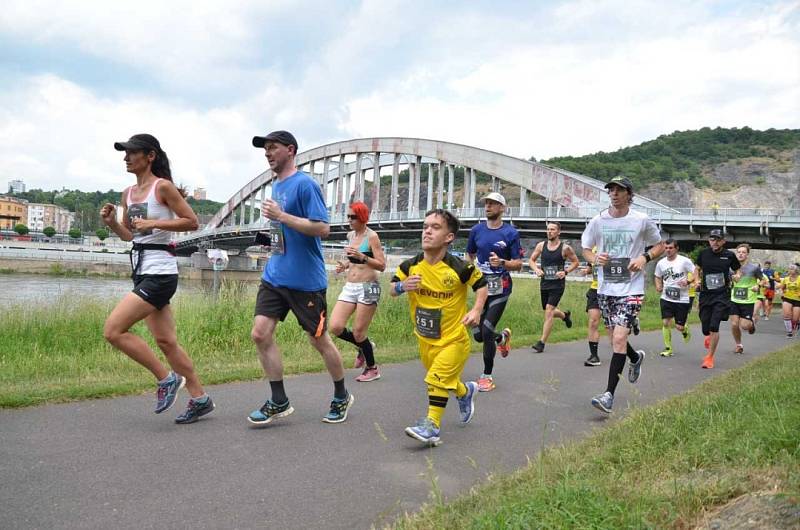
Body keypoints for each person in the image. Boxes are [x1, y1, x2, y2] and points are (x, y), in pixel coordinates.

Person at [101, 133, 214, 424]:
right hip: (141, 268)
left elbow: (191, 221)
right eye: (124, 153)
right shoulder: (128, 193)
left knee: (114, 330)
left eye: (132, 152)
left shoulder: (162, 188)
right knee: (166, 341)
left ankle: (165, 379)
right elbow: (131, 235)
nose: (126, 158)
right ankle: (200, 398)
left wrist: (154, 221)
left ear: (150, 156)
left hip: (161, 272)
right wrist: (113, 223)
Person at [247, 130, 353, 426]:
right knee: (260, 333)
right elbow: (285, 231)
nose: (267, 153)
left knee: (318, 340)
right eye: (265, 149)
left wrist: (282, 216)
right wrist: (269, 240)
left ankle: (342, 395)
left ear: (290, 150)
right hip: (275, 275)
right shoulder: (276, 185)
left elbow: (322, 229)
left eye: (272, 148)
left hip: (305, 281)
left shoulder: (305, 184)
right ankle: (279, 400)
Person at [392, 209, 488, 446]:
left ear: (449, 237)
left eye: (435, 227)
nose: (427, 231)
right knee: (444, 380)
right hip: (426, 339)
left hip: (454, 340)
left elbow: (482, 285)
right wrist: (403, 287)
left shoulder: (460, 267)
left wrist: (476, 310)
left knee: (435, 379)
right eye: (425, 226)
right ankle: (465, 392)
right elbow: (392, 288)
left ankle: (431, 426)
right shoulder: (410, 265)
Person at [581, 176, 664, 413]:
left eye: (619, 190)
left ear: (629, 194)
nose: (614, 193)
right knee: (615, 338)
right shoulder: (598, 220)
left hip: (632, 288)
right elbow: (586, 249)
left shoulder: (641, 220)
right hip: (606, 288)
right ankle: (635, 358)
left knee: (618, 339)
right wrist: (595, 259)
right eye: (611, 190)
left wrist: (644, 258)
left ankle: (608, 395)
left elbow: (658, 245)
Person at [466, 192, 522, 391]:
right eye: (486, 203)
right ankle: (501, 338)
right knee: (480, 335)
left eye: (493, 203)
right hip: (481, 287)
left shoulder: (511, 233)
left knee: (487, 329)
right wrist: (469, 269)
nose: (488, 206)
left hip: (501, 288)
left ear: (502, 208)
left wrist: (503, 262)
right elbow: (469, 254)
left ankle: (486, 376)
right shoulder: (476, 230)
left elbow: (519, 264)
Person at [330, 201, 386, 382]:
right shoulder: (350, 235)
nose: (350, 220)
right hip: (350, 287)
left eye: (353, 217)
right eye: (348, 216)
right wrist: (344, 265)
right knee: (335, 327)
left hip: (369, 287)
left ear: (362, 217)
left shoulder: (372, 237)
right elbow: (354, 260)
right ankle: (366, 346)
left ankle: (372, 368)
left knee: (358, 332)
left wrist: (363, 256)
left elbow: (382, 265)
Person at [694, 228, 741, 369]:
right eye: (712, 239)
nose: (714, 242)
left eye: (718, 239)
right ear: (709, 240)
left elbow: (737, 269)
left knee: (714, 326)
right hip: (706, 294)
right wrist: (696, 280)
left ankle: (709, 357)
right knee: (705, 326)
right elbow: (697, 268)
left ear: (723, 241)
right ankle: (708, 335)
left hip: (722, 295)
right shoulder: (703, 254)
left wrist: (737, 275)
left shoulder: (729, 255)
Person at [529, 221, 579, 353]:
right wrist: (536, 270)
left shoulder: (565, 248)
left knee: (549, 311)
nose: (549, 232)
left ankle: (541, 343)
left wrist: (566, 271)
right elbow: (531, 260)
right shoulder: (541, 246)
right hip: (545, 283)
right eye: (548, 229)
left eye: (552, 229)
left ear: (558, 232)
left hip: (558, 284)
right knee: (547, 309)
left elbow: (576, 262)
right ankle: (564, 316)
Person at [653, 239, 694, 357]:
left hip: (682, 298)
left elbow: (696, 272)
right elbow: (657, 276)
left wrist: (688, 281)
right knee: (666, 322)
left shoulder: (684, 261)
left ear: (676, 249)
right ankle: (668, 348)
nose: (668, 250)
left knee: (679, 327)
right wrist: (658, 285)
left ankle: (684, 329)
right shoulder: (661, 263)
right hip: (666, 297)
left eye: (670, 248)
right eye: (666, 248)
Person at [728, 244, 761, 354]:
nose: (741, 254)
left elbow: (764, 281)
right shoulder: (731, 268)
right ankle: (738, 345)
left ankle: (752, 324)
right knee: (734, 324)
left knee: (744, 326)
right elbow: (727, 281)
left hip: (748, 301)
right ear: (736, 254)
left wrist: (758, 286)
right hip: (734, 300)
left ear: (747, 254)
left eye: (743, 252)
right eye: (739, 252)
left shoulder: (754, 268)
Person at [582, 247, 602, 366]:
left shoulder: (615, 246)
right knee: (593, 321)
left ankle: (633, 320)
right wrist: (587, 270)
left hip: (612, 290)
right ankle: (594, 356)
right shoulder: (593, 249)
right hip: (595, 289)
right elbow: (591, 267)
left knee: (613, 327)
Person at [778, 263, 800, 337]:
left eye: (792, 269)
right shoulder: (786, 279)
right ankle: (789, 332)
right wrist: (782, 292)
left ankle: (796, 324)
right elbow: (782, 287)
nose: (790, 270)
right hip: (787, 298)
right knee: (787, 315)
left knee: (795, 318)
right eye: (789, 269)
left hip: (798, 300)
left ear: (796, 270)